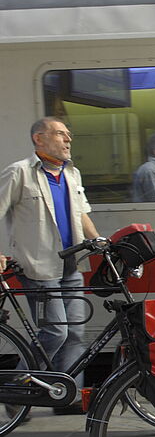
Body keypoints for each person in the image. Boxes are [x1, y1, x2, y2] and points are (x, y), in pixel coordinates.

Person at [0, 117, 100, 415]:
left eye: (69, 134)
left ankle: (64, 398)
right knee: (55, 332)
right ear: (39, 139)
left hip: (72, 266)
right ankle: (16, 389)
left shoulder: (71, 173)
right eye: (60, 134)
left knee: (75, 335)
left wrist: (99, 241)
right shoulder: (19, 173)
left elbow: (81, 213)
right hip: (39, 268)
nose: (68, 139)